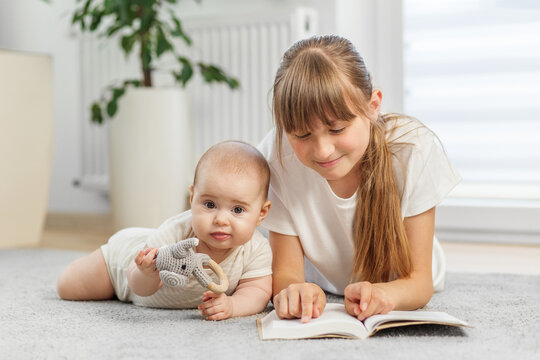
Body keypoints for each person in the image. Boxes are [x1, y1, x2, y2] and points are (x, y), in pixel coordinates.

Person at [257, 35, 461, 323]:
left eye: (338, 129)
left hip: (401, 276)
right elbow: (288, 273)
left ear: (373, 105)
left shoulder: (413, 149)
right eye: (302, 135)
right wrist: (296, 291)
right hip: (326, 278)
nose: (323, 150)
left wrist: (384, 295)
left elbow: (419, 282)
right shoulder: (275, 157)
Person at [57, 141, 273, 320]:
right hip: (121, 265)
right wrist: (145, 272)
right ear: (192, 198)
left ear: (261, 214)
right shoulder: (176, 232)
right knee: (67, 287)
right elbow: (139, 287)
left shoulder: (256, 248)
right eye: (209, 205)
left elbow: (258, 292)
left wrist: (233, 305)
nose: (221, 220)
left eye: (237, 209)